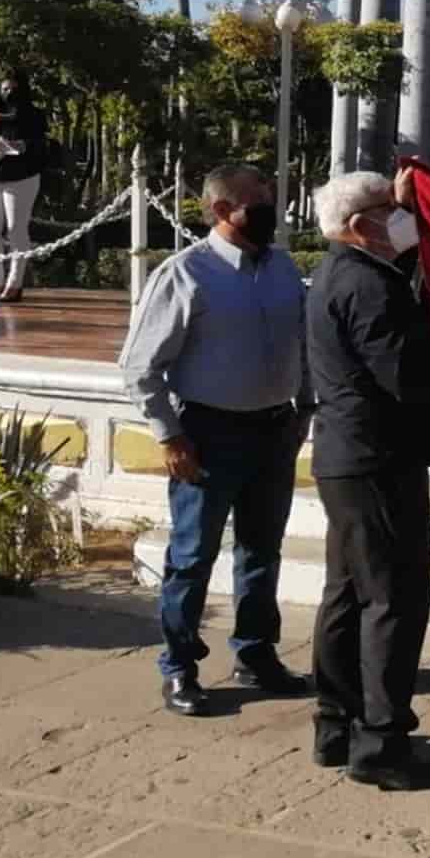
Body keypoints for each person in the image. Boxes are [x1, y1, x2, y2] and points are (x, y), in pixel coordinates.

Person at [307, 169, 430, 791]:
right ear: (360, 225)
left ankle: (336, 724)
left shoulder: (339, 272)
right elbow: (408, 379)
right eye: (390, 209)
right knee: (395, 598)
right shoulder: (368, 285)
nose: (401, 217)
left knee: (347, 595)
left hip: (346, 458)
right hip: (378, 460)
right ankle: (383, 744)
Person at [119, 164, 312, 716]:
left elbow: (302, 345)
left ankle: (256, 654)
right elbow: (139, 368)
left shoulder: (282, 267)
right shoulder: (186, 274)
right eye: (258, 202)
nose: (270, 209)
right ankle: (179, 667)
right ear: (222, 210)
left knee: (261, 551)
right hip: (208, 434)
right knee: (192, 556)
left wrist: (305, 408)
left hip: (274, 430)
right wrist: (170, 436)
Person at [0, 71, 49, 303]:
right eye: (5, 89)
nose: (8, 93)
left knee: (15, 229)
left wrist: (18, 143)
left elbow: (40, 145)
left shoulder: (34, 115)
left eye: (13, 89)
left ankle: (15, 283)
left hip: (22, 177)